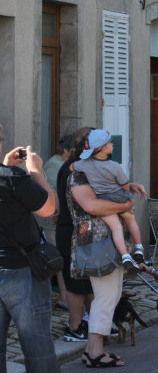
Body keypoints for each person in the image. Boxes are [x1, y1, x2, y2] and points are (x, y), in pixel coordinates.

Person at [67, 139, 146, 368]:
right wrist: (125, 206)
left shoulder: (87, 171)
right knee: (106, 297)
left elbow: (106, 191)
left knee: (109, 295)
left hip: (105, 243)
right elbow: (92, 206)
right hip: (97, 243)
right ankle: (95, 352)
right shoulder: (78, 175)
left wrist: (128, 187)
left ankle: (92, 350)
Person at [0, 124, 59, 371]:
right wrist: (35, 171)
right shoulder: (13, 178)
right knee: (37, 348)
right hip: (22, 271)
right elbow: (48, 208)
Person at [73, 129, 146, 273]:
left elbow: (72, 167)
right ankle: (139, 248)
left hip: (102, 200)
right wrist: (129, 187)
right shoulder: (114, 166)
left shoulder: (83, 165)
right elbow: (125, 186)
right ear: (104, 148)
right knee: (130, 219)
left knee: (116, 228)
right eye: (110, 142)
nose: (113, 144)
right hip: (119, 198)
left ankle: (125, 257)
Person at [56, 127, 95, 343]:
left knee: (86, 282)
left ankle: (91, 324)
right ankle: (75, 326)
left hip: (76, 231)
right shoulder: (74, 169)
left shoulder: (74, 167)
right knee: (76, 283)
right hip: (73, 232)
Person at [37, 133, 72, 310]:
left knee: (62, 258)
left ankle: (65, 296)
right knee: (60, 259)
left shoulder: (62, 164)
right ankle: (63, 298)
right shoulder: (53, 166)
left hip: (57, 219)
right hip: (52, 221)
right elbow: (53, 193)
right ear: (66, 149)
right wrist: (60, 212)